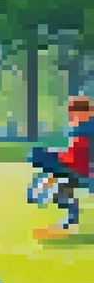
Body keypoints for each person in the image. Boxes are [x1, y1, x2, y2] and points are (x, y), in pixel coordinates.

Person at [28, 95, 92, 239]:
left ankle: (65, 206)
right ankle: (68, 211)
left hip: (80, 170)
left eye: (72, 111)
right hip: (76, 169)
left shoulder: (84, 128)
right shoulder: (82, 127)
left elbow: (78, 158)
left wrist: (57, 157)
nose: (70, 115)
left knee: (36, 156)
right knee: (55, 182)